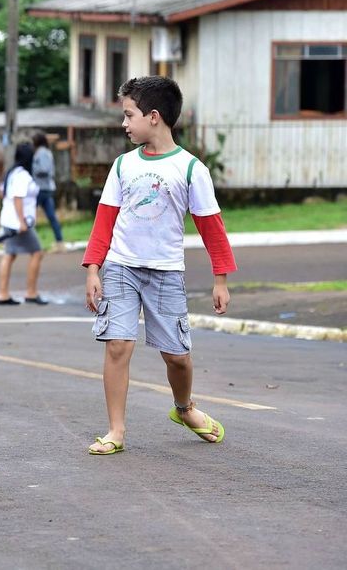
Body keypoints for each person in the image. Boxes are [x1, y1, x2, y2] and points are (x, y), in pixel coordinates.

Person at [82, 76, 236, 455]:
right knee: (117, 344)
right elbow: (105, 220)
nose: (124, 123)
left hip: (166, 272)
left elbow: (211, 228)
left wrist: (220, 280)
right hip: (121, 266)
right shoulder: (122, 166)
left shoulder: (189, 169)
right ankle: (115, 431)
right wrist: (93, 268)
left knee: (177, 357)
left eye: (128, 115)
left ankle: (184, 408)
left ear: (153, 117)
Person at [0, 141, 48, 306]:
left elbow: (2, 193)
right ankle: (30, 292)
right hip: (19, 223)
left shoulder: (11, 173)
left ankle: (3, 294)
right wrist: (21, 221)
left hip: (9, 220)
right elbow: (18, 198)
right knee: (37, 252)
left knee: (10, 255)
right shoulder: (22, 176)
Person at [31, 131, 65, 252]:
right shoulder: (45, 152)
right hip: (46, 188)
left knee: (29, 215)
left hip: (41, 188)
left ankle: (30, 243)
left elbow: (44, 169)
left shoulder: (42, 153)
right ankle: (59, 242)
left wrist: (33, 169)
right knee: (51, 216)